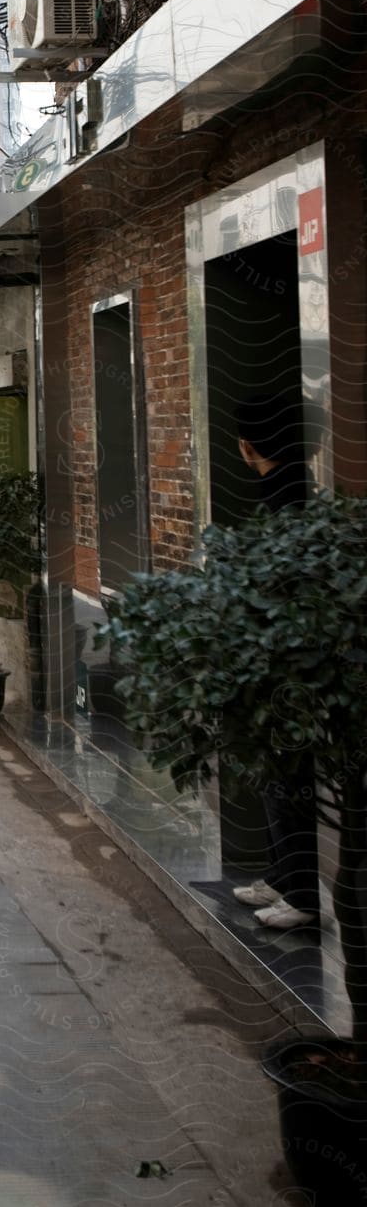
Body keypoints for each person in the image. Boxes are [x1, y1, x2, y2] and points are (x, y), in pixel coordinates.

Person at [229, 393, 319, 931]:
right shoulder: (292, 485)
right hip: (281, 657)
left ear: (246, 446)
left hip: (291, 660)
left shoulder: (287, 492)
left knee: (288, 773)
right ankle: (282, 876)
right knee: (276, 772)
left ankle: (303, 892)